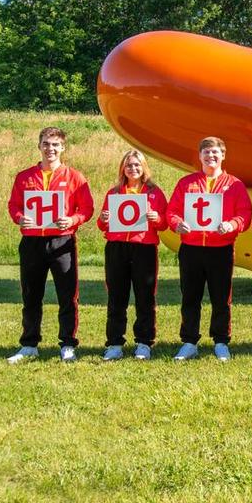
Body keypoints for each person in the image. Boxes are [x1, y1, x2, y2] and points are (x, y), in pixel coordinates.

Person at [6, 127, 94, 363]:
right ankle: (29, 345)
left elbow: (86, 209)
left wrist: (73, 220)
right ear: (39, 146)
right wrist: (19, 217)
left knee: (67, 295)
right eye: (46, 144)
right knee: (31, 295)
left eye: (55, 145)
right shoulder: (24, 177)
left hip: (62, 241)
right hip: (32, 242)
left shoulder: (75, 177)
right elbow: (14, 205)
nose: (50, 149)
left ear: (63, 147)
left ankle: (67, 344)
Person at [166, 136, 251, 361]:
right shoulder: (187, 183)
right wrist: (177, 224)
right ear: (200, 156)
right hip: (191, 249)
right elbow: (172, 211)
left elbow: (244, 214)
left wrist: (232, 224)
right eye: (206, 152)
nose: (211, 156)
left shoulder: (235, 184)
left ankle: (221, 341)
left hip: (221, 249)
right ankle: (189, 342)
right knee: (190, 297)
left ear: (223, 155)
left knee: (221, 298)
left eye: (215, 152)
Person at [95, 150, 168, 360]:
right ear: (122, 169)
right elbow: (102, 225)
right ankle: (115, 343)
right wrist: (104, 217)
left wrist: (156, 218)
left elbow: (164, 224)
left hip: (143, 248)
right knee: (116, 296)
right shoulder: (115, 192)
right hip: (117, 248)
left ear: (143, 167)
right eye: (129, 165)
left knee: (145, 296)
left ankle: (144, 342)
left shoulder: (154, 192)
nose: (133, 169)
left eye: (137, 165)